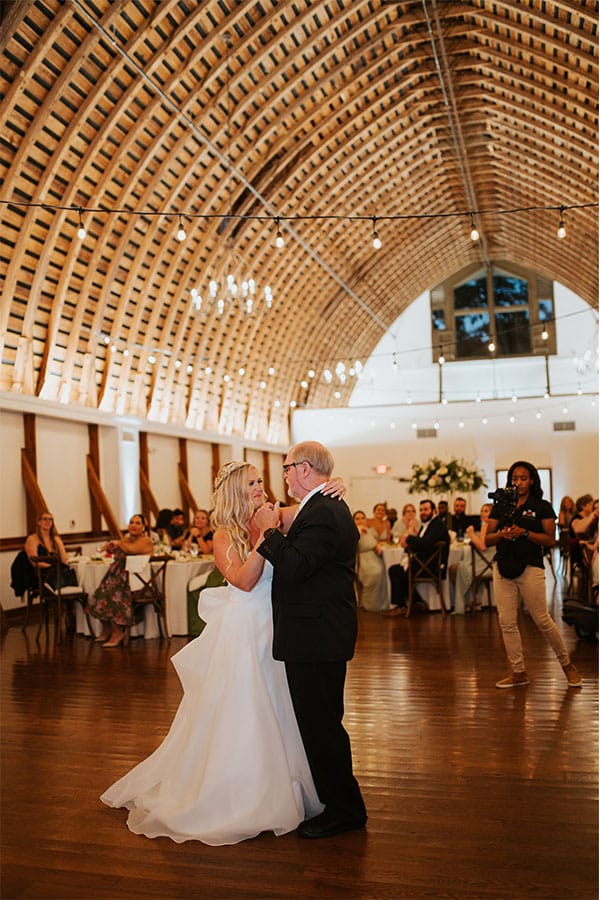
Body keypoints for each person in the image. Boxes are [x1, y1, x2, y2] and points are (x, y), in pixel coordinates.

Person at [100, 461, 347, 845]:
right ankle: (242, 794)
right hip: (244, 629)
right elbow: (245, 581)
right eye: (252, 483)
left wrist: (336, 485)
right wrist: (266, 537)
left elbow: (313, 506)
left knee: (286, 708)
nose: (261, 487)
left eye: (261, 480)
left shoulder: (275, 513)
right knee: (246, 708)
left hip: (278, 627)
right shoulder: (224, 534)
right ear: (234, 490)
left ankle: (295, 785)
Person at [255, 441, 367, 839]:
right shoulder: (318, 506)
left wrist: (267, 533)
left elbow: (297, 567)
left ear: (305, 469)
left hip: (317, 635)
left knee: (322, 726)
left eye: (286, 467)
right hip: (316, 633)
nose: (283, 475)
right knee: (320, 724)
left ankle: (344, 810)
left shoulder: (324, 512)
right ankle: (338, 803)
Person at [485, 461, 582, 689]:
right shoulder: (500, 506)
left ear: (532, 481)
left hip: (530, 565)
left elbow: (550, 539)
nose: (518, 482)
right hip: (503, 566)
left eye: (523, 478)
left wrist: (525, 532)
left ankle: (567, 665)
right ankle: (518, 671)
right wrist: (502, 534)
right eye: (514, 478)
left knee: (542, 619)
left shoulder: (542, 506)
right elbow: (487, 539)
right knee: (507, 622)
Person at [86, 514, 154, 647]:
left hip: (137, 583)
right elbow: (122, 550)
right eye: (131, 522)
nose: (133, 525)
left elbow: (132, 550)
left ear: (144, 527)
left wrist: (118, 543)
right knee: (99, 593)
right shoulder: (127, 540)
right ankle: (107, 628)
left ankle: (118, 632)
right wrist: (113, 547)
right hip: (119, 578)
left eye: (138, 523)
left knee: (112, 595)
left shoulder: (146, 541)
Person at [385, 499, 449, 616]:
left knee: (395, 571)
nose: (423, 512)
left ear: (433, 511)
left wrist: (408, 538)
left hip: (432, 566)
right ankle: (417, 602)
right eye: (421, 510)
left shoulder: (437, 524)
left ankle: (402, 606)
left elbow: (426, 542)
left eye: (426, 509)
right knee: (399, 570)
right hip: (424, 563)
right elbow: (423, 544)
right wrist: (408, 547)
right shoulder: (429, 524)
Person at [450, 503, 494, 614]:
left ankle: (468, 601)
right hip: (487, 562)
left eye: (486, 511)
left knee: (455, 569)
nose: (482, 513)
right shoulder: (488, 526)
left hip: (486, 565)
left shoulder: (487, 526)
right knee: (455, 568)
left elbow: (482, 546)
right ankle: (472, 600)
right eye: (482, 510)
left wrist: (471, 534)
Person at [24, 511, 72, 589]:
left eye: (50, 520)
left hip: (54, 571)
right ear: (39, 522)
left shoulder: (55, 539)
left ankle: (71, 597)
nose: (48, 522)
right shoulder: (32, 539)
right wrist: (52, 566)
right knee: (58, 575)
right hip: (39, 574)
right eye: (45, 519)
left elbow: (64, 559)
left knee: (71, 572)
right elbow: (34, 562)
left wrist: (59, 543)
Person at [353, 510, 389, 612]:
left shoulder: (368, 530)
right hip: (363, 560)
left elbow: (373, 541)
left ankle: (382, 604)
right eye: (357, 518)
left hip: (374, 558)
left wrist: (377, 544)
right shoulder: (354, 531)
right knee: (375, 573)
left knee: (384, 570)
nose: (360, 520)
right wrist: (358, 530)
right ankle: (370, 605)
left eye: (362, 518)